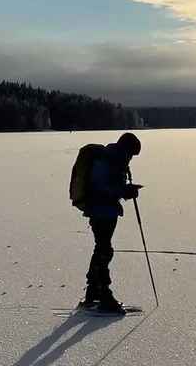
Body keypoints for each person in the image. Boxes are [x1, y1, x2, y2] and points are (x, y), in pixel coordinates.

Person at [69, 132, 142, 313]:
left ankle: (93, 292)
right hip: (101, 211)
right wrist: (124, 191)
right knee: (104, 250)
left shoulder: (114, 158)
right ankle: (104, 295)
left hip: (105, 211)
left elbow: (109, 186)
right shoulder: (108, 160)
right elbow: (101, 187)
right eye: (132, 154)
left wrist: (125, 190)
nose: (131, 158)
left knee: (102, 249)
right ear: (126, 148)